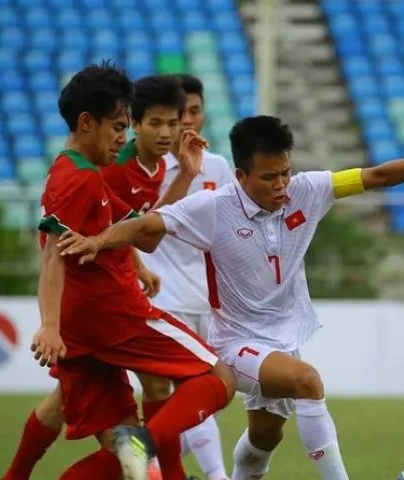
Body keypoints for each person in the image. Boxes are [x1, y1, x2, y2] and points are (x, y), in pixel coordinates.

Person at [56, 115, 404, 479]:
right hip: (235, 343)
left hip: (284, 341)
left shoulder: (308, 188)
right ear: (240, 176)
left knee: (264, 440)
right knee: (308, 382)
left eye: (285, 172)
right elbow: (145, 226)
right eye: (268, 177)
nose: (281, 184)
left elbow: (376, 176)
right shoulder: (212, 207)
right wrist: (97, 240)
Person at [30, 63, 236, 480]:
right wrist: (48, 324)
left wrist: (186, 177)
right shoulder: (92, 176)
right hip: (114, 315)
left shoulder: (79, 170)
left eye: (173, 122)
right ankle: (163, 459)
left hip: (87, 324)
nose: (123, 137)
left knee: (125, 456)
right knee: (219, 378)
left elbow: (142, 233)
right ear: (88, 123)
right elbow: (53, 254)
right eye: (121, 127)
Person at [141, 74, 234, 480]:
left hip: (209, 302)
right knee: (191, 386)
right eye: (182, 114)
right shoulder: (151, 168)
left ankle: (143, 462)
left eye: (196, 111)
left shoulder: (218, 167)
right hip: (164, 299)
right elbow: (139, 230)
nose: (190, 121)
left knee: (194, 400)